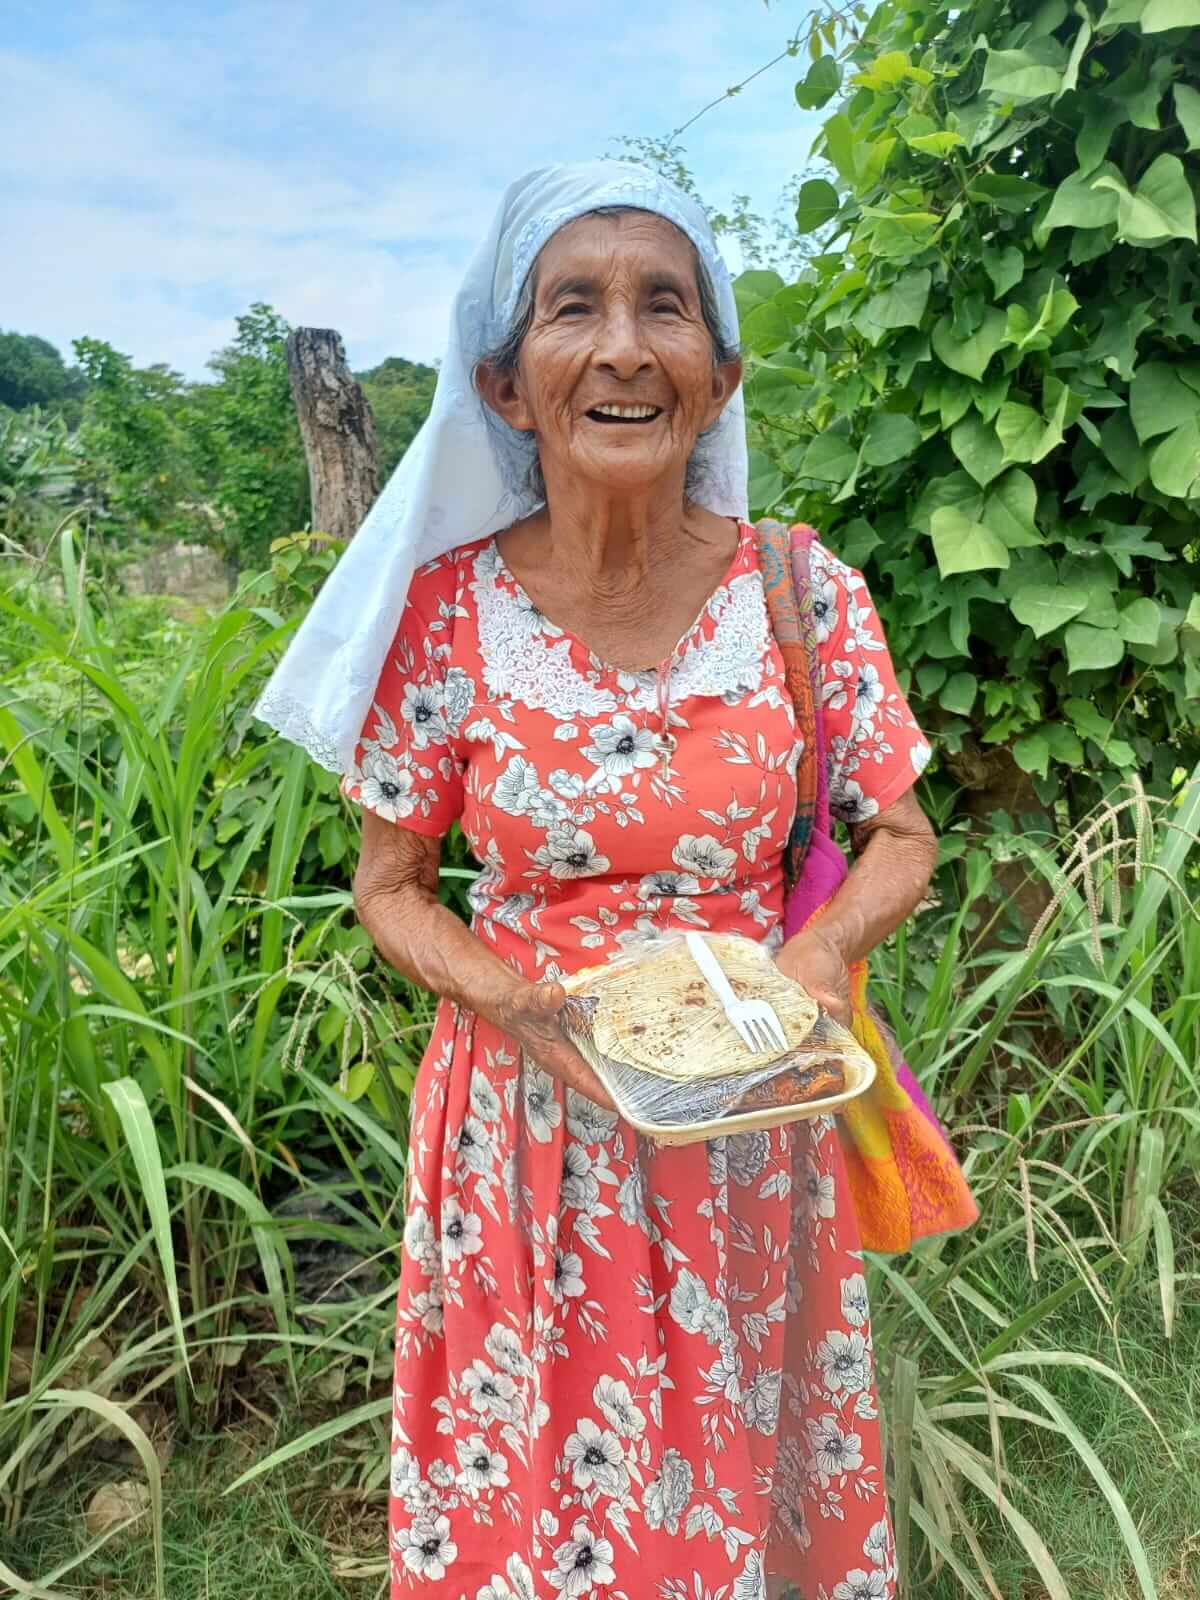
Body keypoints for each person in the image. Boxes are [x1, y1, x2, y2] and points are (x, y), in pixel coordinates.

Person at [255, 161, 948, 1600]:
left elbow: (904, 836)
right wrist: (524, 1008)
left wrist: (818, 962)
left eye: (665, 307)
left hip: (751, 1116)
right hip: (526, 1132)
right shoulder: (447, 616)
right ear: (505, 386)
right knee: (546, 1496)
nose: (625, 346)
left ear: (720, 376)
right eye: (574, 307)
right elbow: (392, 885)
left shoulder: (801, 592)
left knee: (733, 1486)